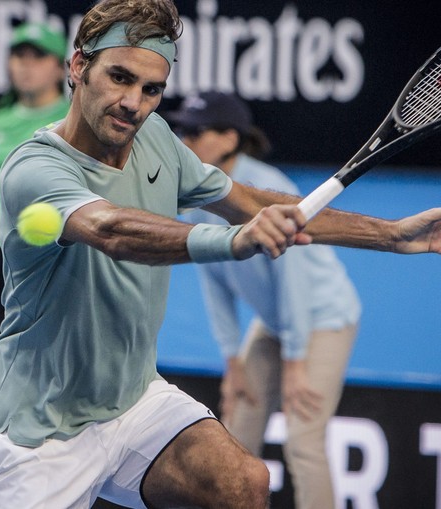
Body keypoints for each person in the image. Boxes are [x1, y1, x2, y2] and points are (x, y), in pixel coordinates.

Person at [0, 1, 441, 507]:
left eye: (151, 89)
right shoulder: (33, 167)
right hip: (38, 434)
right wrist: (233, 241)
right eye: (119, 77)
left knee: (243, 482)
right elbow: (111, 229)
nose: (133, 102)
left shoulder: (155, 138)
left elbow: (251, 202)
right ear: (79, 66)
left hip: (132, 404)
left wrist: (391, 236)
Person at [170, 92, 361, 509]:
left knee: (303, 440)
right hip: (276, 323)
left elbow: (293, 280)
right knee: (234, 431)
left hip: (323, 318)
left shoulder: (268, 189)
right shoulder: (197, 197)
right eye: (181, 130)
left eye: (195, 131)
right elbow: (213, 280)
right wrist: (231, 362)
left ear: (228, 139)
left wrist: (295, 363)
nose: (183, 140)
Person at [0, 21, 71, 352]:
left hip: (53, 253)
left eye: (38, 56)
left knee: (50, 354)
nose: (26, 66)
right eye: (19, 56)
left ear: (62, 69)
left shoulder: (74, 120)